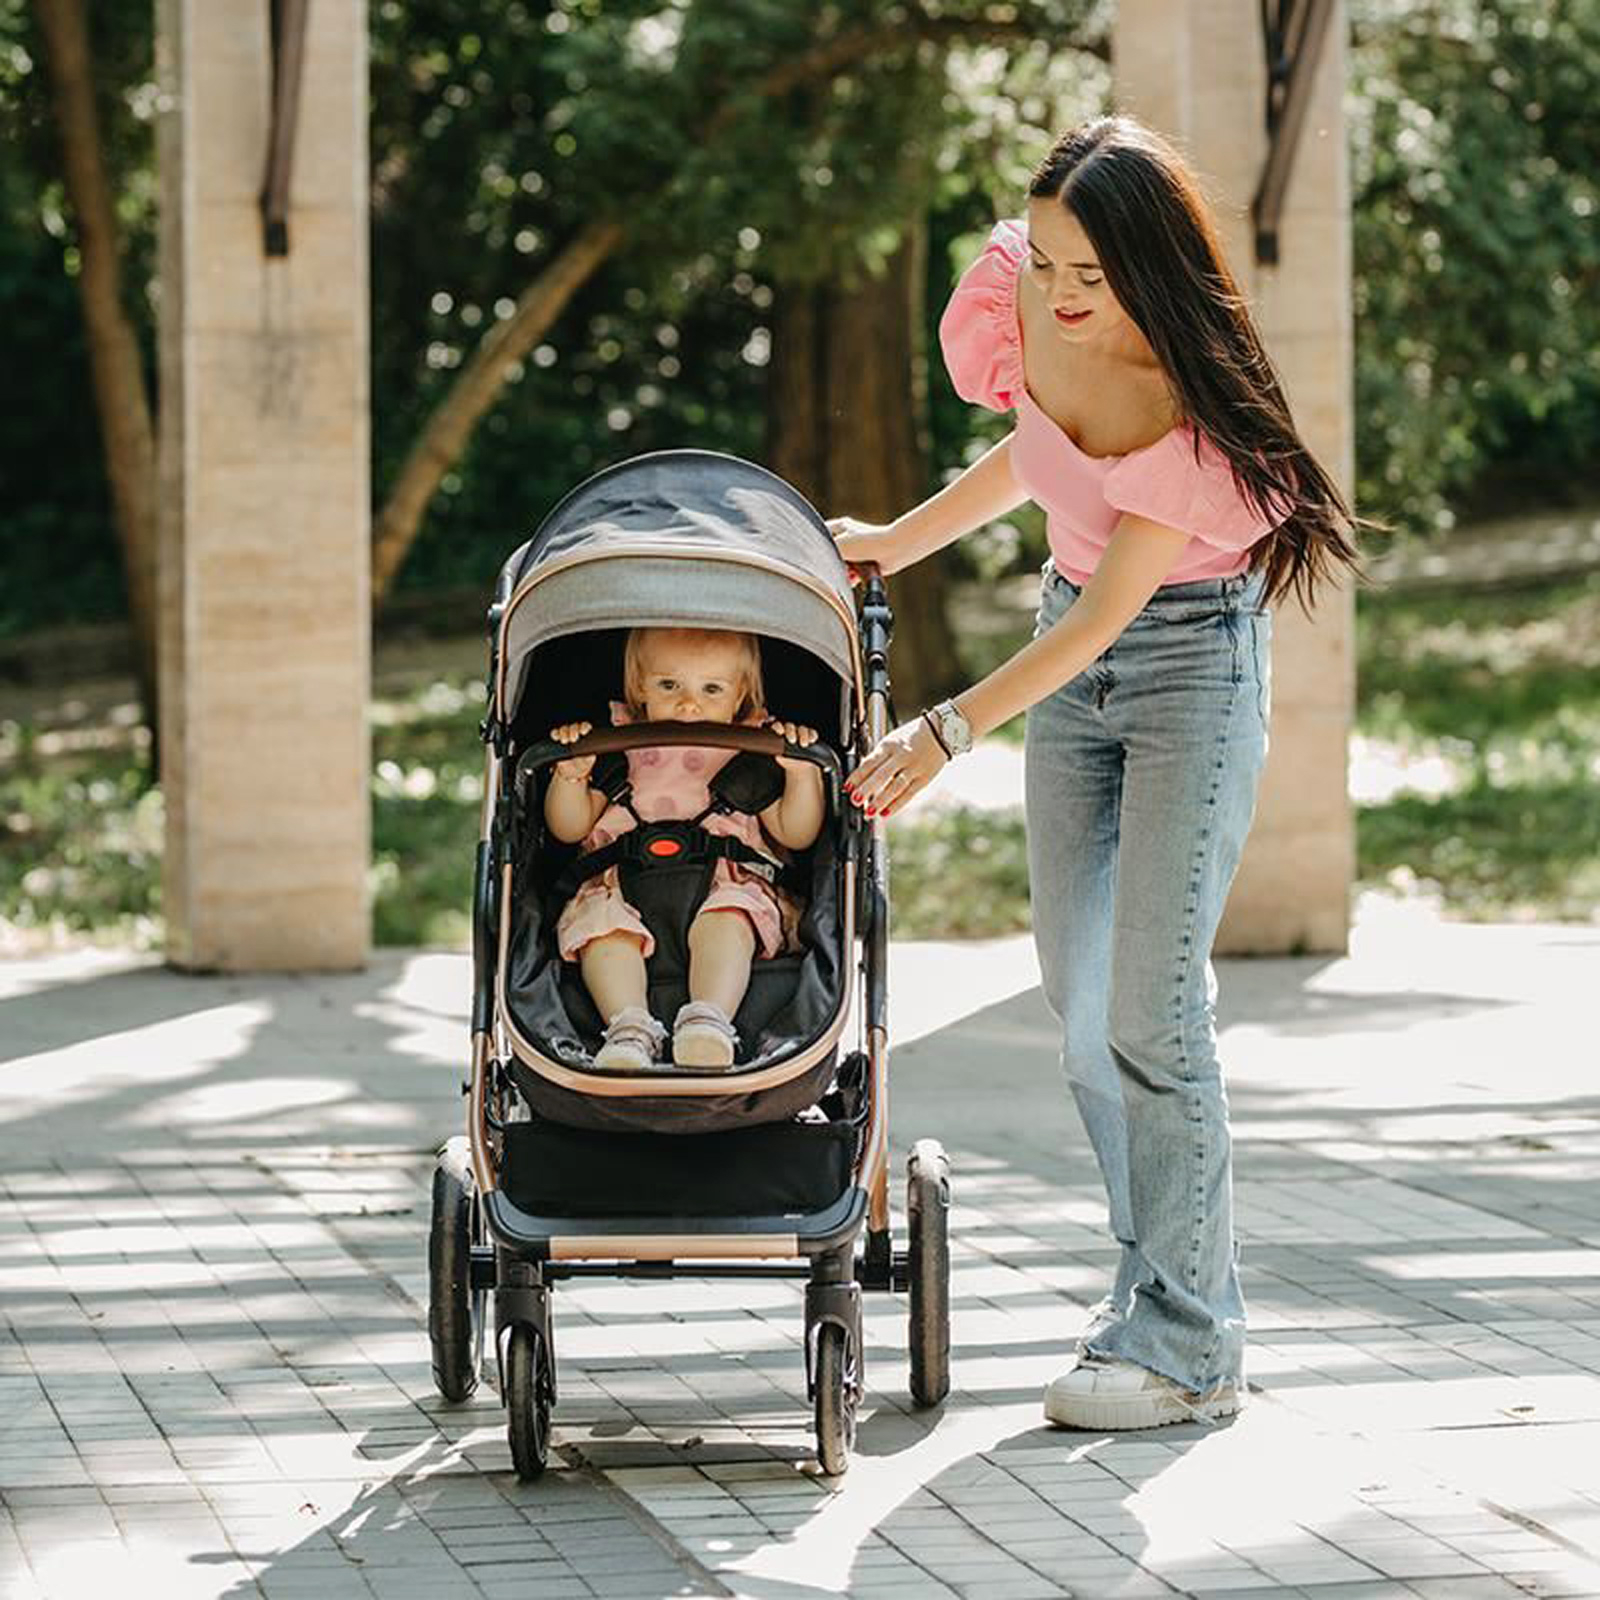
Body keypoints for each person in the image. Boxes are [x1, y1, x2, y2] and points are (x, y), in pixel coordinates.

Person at [830, 115, 1360, 1430]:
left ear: (1152, 265)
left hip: (1188, 670)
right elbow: (1034, 449)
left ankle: (1190, 1348)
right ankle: (1154, 1284)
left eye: (1091, 274)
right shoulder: (1030, 299)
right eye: (1047, 260)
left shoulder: (1188, 408)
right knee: (1082, 1014)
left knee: (1153, 1016)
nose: (1058, 294)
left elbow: (1108, 619)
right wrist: (893, 540)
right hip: (1073, 656)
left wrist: (943, 733)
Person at [545, 626, 825, 1072]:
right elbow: (568, 828)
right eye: (669, 685)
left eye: (711, 689)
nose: (688, 704)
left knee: (729, 920)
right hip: (619, 883)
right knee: (604, 932)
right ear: (640, 686)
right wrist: (571, 776)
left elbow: (797, 833)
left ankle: (708, 1023)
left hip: (725, 881)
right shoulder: (614, 742)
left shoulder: (754, 748)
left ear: (739, 695)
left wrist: (801, 774)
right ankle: (629, 1030)